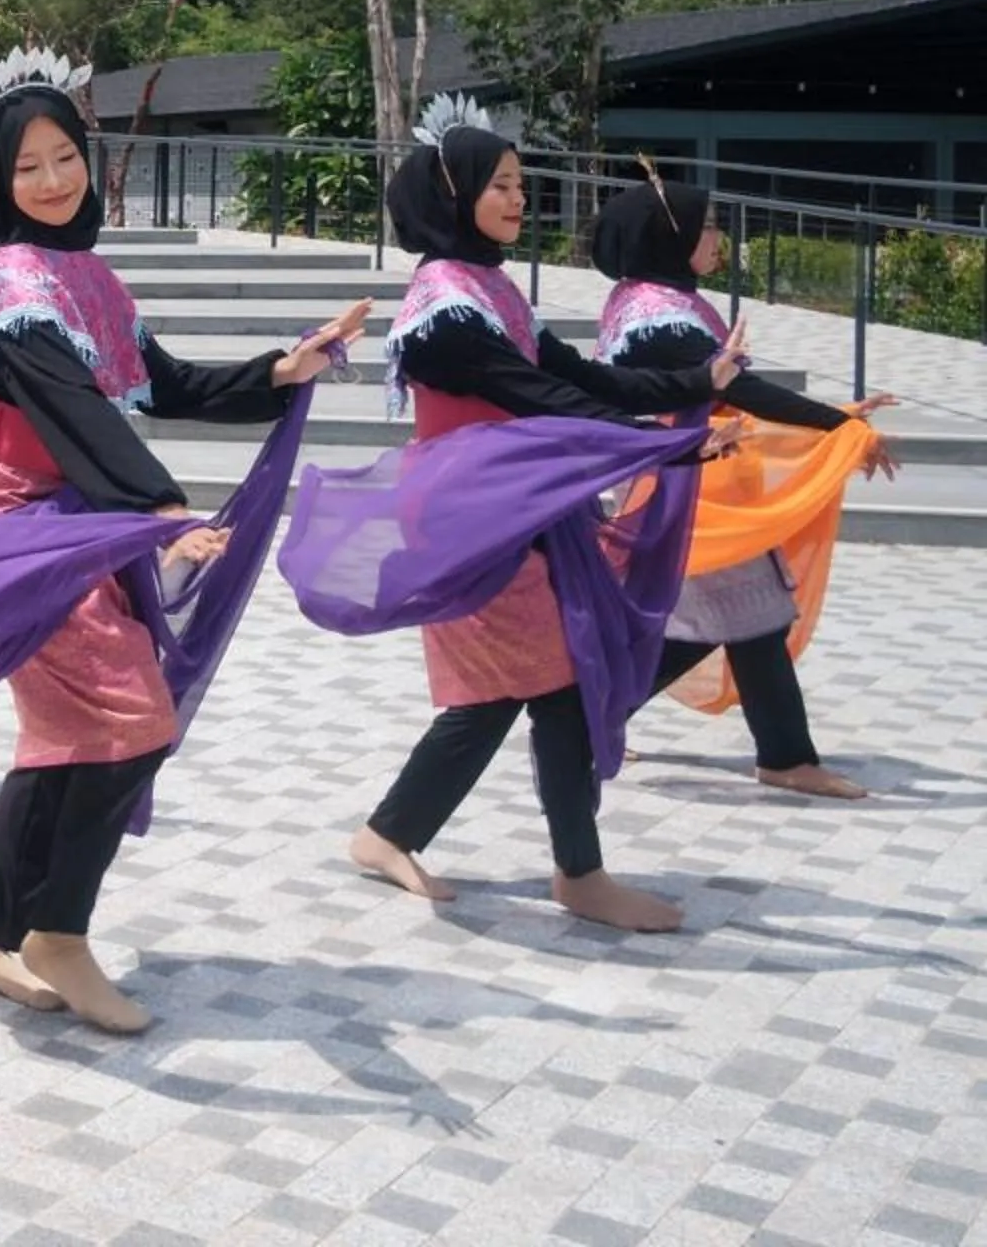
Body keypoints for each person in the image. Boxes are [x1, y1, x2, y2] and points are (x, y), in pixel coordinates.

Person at [0, 52, 362, 1031]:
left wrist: (282, 368)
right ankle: (57, 933)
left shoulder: (86, 276)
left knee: (71, 732)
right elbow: (72, 405)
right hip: (14, 533)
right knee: (131, 715)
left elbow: (157, 383)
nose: (50, 179)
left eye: (64, 156)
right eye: (26, 165)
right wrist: (161, 505)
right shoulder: (12, 284)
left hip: (78, 520)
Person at [328, 98, 736, 933]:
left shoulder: (490, 288)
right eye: (501, 184)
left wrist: (690, 389)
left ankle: (405, 836)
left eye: (520, 183)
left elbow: (581, 376)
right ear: (454, 195)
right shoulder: (443, 304)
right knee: (540, 681)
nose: (519, 198)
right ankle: (565, 871)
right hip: (469, 513)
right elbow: (535, 394)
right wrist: (650, 446)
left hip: (519, 505)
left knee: (525, 686)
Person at [591, 170, 896, 800]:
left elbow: (732, 400)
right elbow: (737, 390)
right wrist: (836, 422)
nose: (717, 236)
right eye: (704, 225)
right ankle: (777, 755)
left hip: (696, 478)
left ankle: (595, 717)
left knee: (730, 615)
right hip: (688, 483)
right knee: (735, 614)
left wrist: (836, 417)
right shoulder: (658, 316)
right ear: (667, 237)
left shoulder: (660, 300)